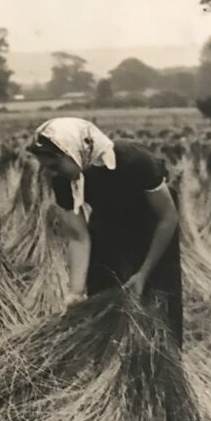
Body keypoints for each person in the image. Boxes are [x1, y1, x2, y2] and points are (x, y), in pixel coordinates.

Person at [28, 116, 182, 347]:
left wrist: (143, 272)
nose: (51, 172)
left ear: (73, 151)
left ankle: (160, 371)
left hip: (152, 230)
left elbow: (168, 217)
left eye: (54, 165)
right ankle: (112, 370)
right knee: (105, 298)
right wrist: (75, 292)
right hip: (108, 226)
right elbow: (77, 236)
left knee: (157, 305)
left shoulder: (133, 159)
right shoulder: (63, 181)